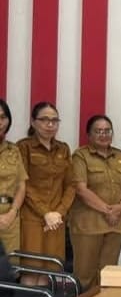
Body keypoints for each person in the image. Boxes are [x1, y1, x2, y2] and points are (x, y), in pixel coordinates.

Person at [70, 115, 121, 291]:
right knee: (85, 275)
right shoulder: (80, 156)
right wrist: (108, 211)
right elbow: (81, 189)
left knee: (108, 274)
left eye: (107, 131)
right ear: (89, 134)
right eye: (98, 131)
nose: (103, 135)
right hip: (89, 225)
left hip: (116, 224)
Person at [17, 102, 75, 285]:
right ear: (33, 122)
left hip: (56, 220)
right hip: (32, 218)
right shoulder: (23, 147)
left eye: (55, 121)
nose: (50, 125)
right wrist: (45, 213)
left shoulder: (63, 149)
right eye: (44, 120)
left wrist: (59, 212)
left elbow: (71, 184)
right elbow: (23, 184)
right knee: (31, 270)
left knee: (49, 270)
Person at [0, 99, 28, 253]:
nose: (0, 122)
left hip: (9, 218)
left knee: (10, 264)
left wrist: (12, 212)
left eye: (3, 117)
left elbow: (21, 186)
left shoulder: (14, 150)